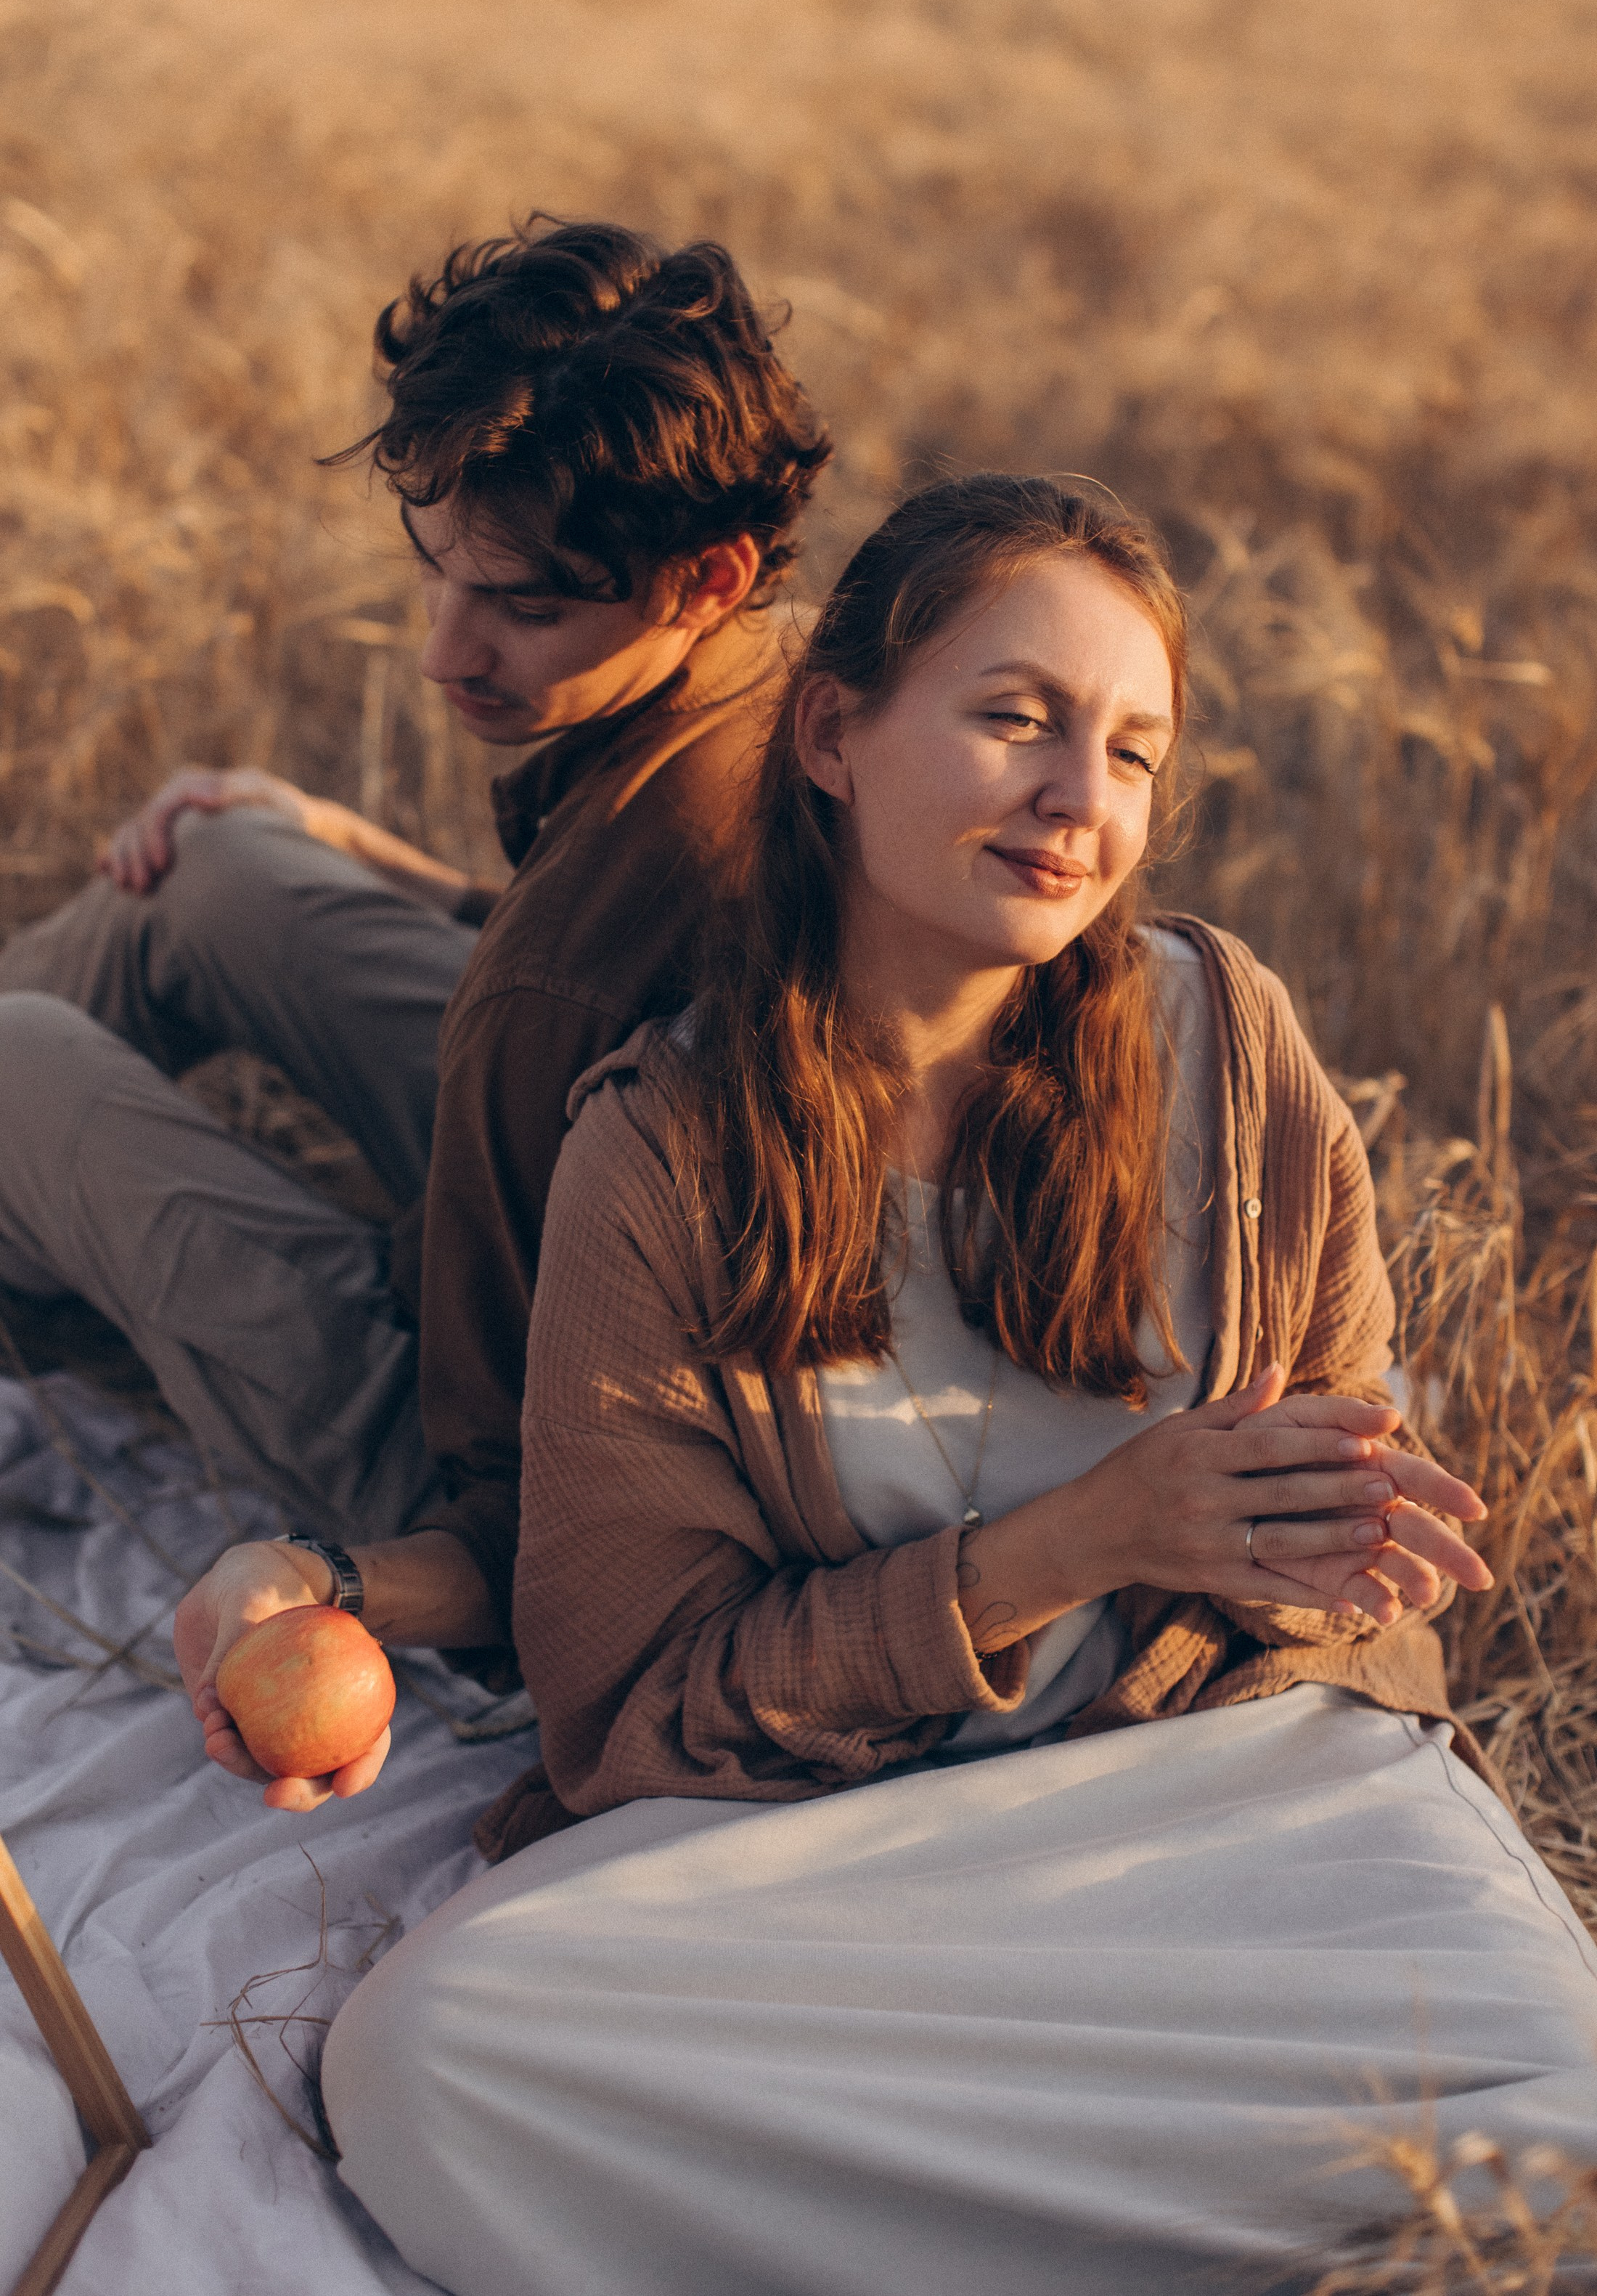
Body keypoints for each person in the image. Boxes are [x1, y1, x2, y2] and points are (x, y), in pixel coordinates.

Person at [320, 476, 1597, 2296]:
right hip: (860, 1855)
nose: (1082, 806)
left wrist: (1338, 1539)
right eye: (1016, 722)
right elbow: (629, 1704)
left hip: (1243, 1805)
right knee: (429, 2050)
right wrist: (1065, 1546)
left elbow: (1331, 1502)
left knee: (1552, 2124)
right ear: (833, 735)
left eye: (1132, 753)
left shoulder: (1227, 1050)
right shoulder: (664, 1148)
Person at [0, 217, 830, 1729]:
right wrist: (361, 850)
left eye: (523, 607)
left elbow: (550, 1526)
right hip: (552, 1217)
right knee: (212, 868)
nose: (448, 653)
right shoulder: (775, 685)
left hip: (488, 1467)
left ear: (706, 575)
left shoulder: (556, 986)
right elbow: (588, 976)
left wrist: (338, 1581)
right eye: (436, 570)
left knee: (13, 1062)